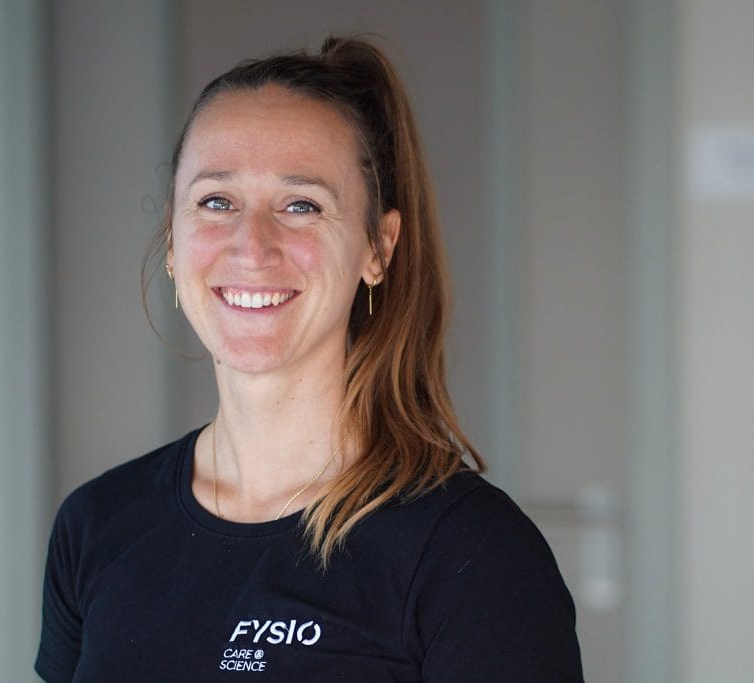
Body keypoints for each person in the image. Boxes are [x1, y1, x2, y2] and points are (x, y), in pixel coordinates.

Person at [36, 36, 583, 682]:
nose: (251, 245)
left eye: (301, 205)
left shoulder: (473, 555)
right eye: (216, 201)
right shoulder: (96, 525)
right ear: (174, 242)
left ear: (378, 248)